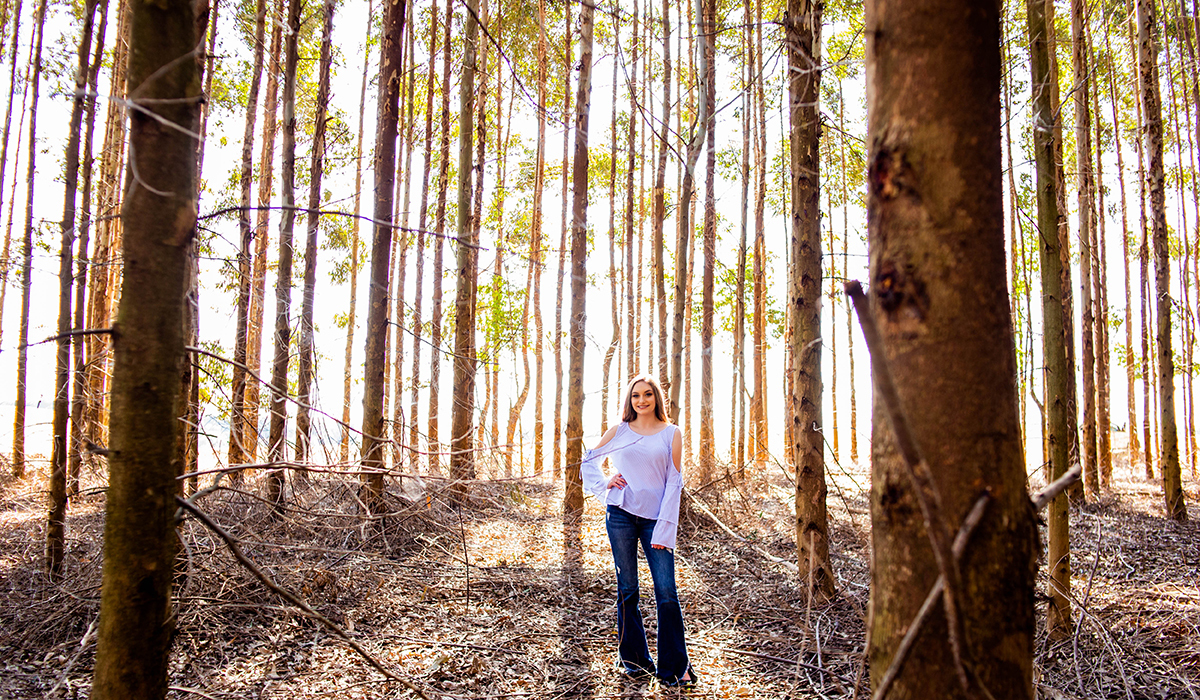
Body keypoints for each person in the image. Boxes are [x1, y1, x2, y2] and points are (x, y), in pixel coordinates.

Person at [580, 374, 696, 686]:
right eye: (635, 395)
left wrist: (665, 528)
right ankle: (634, 661)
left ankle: (675, 667)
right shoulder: (619, 431)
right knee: (628, 588)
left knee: (666, 591)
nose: (641, 400)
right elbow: (589, 462)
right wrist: (606, 482)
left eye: (647, 394)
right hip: (620, 514)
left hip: (655, 519)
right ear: (629, 400)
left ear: (657, 398)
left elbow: (674, 482)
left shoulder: (671, 433)